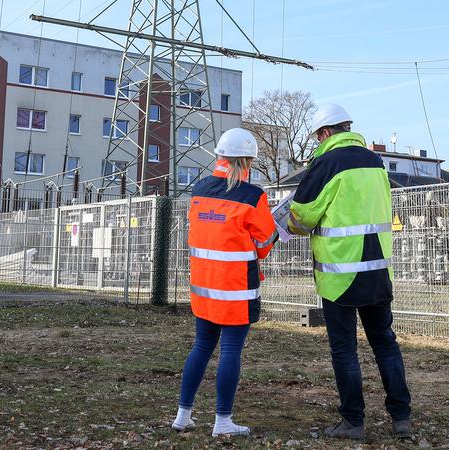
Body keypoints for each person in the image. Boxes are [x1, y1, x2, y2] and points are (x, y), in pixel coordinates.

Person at [287, 103, 412, 440]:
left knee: (344, 349)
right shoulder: (375, 162)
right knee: (385, 344)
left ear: (325, 133)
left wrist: (289, 222)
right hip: (377, 270)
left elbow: (302, 218)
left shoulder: (326, 163)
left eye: (317, 137)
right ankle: (402, 417)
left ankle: (353, 421)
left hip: (340, 274)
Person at [171, 128, 277, 437]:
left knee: (202, 346)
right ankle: (223, 420)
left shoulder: (199, 190)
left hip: (204, 287)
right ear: (247, 161)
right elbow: (265, 243)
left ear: (220, 157)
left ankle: (183, 415)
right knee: (231, 350)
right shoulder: (252, 196)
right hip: (236, 290)